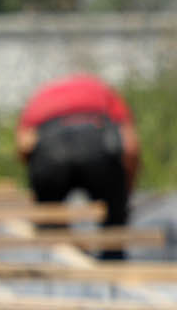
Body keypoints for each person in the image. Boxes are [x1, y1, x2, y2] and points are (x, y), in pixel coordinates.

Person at [15, 74, 139, 260]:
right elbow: (130, 147)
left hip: (50, 150)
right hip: (97, 147)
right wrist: (124, 192)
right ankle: (112, 256)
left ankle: (56, 252)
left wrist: (39, 187)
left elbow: (24, 144)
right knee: (114, 214)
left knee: (50, 220)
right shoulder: (105, 92)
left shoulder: (43, 96)